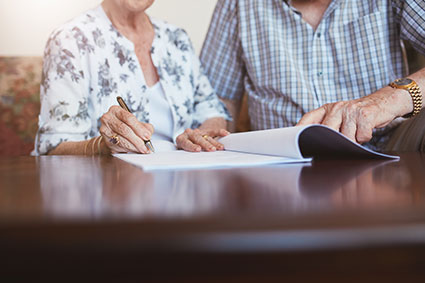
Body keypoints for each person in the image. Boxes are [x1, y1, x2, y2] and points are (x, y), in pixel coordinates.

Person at [201, 0, 425, 152]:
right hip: (282, 165)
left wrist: (386, 102)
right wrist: (211, 129)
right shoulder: (237, 4)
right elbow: (218, 98)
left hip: (391, 151)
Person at [35, 0, 230, 156]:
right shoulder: (70, 40)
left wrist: (202, 136)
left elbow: (211, 109)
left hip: (184, 184)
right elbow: (53, 146)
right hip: (110, 187)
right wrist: (104, 146)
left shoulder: (176, 38)